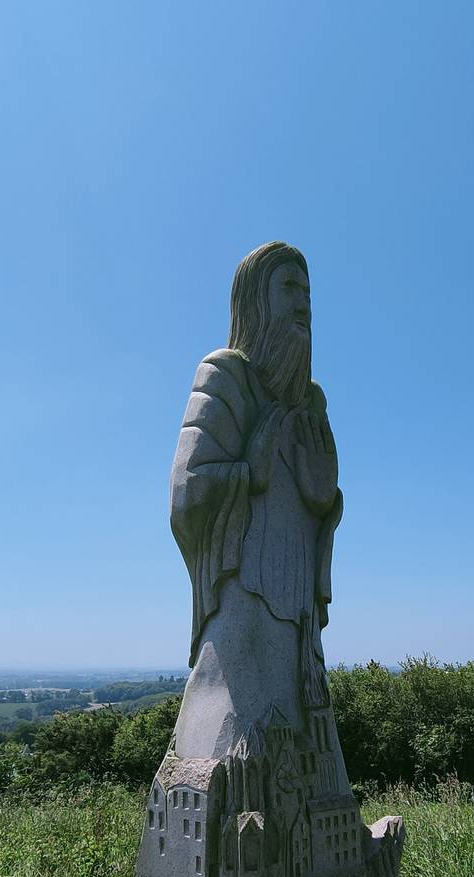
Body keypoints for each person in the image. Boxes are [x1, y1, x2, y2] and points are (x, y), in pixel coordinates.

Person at [169, 242, 347, 795]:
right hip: (243, 603)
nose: (304, 303)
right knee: (236, 733)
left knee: (308, 740)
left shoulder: (310, 404)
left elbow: (320, 504)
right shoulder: (224, 375)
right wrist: (250, 471)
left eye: (308, 292)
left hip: (298, 615)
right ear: (256, 301)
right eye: (289, 288)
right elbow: (186, 491)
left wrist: (323, 499)